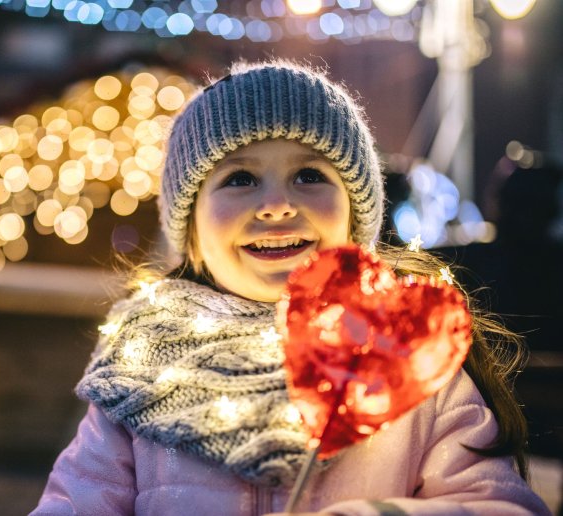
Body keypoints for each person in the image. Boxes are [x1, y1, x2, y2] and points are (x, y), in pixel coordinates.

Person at [31, 60, 550, 515]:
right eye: (239, 179)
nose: (277, 205)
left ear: (355, 215)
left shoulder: (405, 350)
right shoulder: (141, 370)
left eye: (309, 175)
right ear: (191, 234)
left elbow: (500, 506)